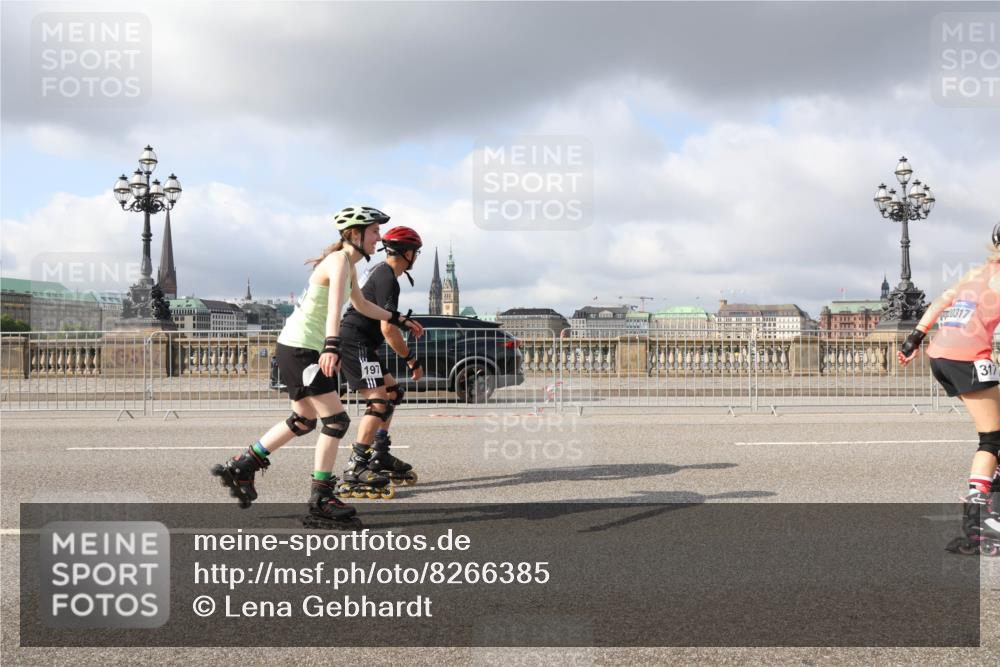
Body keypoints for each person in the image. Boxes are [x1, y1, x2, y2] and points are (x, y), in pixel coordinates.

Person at [211, 205, 424, 529]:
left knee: (303, 420)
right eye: (373, 231)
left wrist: (399, 319)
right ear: (356, 234)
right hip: (302, 349)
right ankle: (321, 498)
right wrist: (331, 346)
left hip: (294, 346)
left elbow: (362, 305)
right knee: (335, 421)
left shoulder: (350, 266)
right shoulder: (339, 262)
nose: (378, 238)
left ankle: (243, 465)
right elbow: (331, 311)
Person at [898, 223, 1000, 555]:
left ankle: (991, 495)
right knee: (992, 439)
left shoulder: (978, 272)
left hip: (941, 354)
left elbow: (943, 299)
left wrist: (915, 336)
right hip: (968, 358)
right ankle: (978, 525)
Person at [337, 226, 425, 499]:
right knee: (379, 402)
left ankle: (380, 454)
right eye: (416, 252)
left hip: (362, 341)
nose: (416, 256)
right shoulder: (388, 278)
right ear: (407, 253)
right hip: (355, 341)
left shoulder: (380, 271)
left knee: (393, 392)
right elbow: (388, 329)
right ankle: (356, 466)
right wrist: (411, 359)